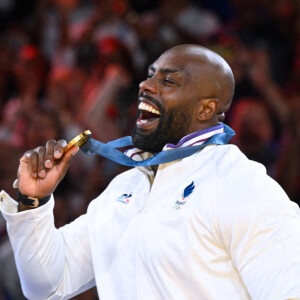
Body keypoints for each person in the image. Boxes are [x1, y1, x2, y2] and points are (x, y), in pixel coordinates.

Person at [1, 44, 300, 300]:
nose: (146, 86)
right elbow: (46, 285)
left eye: (168, 82)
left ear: (206, 109)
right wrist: (33, 202)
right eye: (149, 76)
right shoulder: (125, 187)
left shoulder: (241, 185)